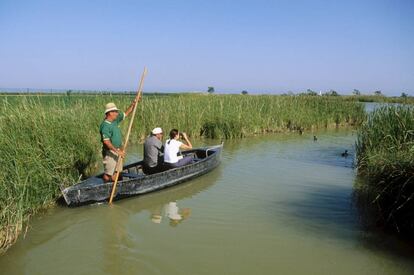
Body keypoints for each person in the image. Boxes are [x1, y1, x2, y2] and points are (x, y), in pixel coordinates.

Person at [99, 96, 141, 182]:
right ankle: (104, 187)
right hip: (110, 152)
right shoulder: (105, 126)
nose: (117, 113)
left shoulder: (115, 120)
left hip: (118, 150)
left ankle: (114, 187)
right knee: (108, 174)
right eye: (115, 112)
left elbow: (126, 113)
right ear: (110, 113)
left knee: (116, 172)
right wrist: (117, 151)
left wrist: (134, 103)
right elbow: (106, 142)